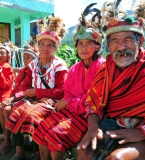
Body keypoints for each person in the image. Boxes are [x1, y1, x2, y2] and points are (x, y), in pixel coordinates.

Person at [77, 1, 145, 160]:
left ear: (140, 42)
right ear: (108, 45)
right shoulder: (106, 70)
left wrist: (144, 131)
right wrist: (93, 127)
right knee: (84, 152)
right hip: (112, 125)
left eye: (128, 39)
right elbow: (93, 104)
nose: (121, 47)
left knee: (116, 158)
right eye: (114, 41)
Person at [32, 4, 105, 160]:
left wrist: (69, 102)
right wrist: (68, 102)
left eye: (88, 43)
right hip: (71, 110)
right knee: (42, 129)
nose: (83, 48)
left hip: (90, 115)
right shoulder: (75, 68)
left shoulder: (102, 67)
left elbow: (96, 97)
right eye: (80, 44)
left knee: (54, 135)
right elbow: (67, 91)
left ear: (97, 46)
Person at [5, 31, 68, 160]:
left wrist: (39, 93)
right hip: (34, 99)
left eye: (50, 45)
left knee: (32, 116)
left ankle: (38, 153)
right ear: (38, 47)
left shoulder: (59, 66)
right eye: (42, 44)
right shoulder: (34, 65)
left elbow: (61, 91)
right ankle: (19, 152)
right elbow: (26, 87)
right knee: (15, 111)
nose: (45, 48)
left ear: (55, 48)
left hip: (52, 102)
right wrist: (36, 95)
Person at [0, 44, 38, 156]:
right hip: (16, 97)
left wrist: (11, 99)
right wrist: (11, 98)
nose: (25, 60)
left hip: (29, 98)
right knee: (5, 107)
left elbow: (7, 86)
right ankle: (9, 140)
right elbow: (16, 89)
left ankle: (10, 142)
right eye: (24, 57)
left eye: (28, 57)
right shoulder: (22, 71)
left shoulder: (35, 71)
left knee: (7, 109)